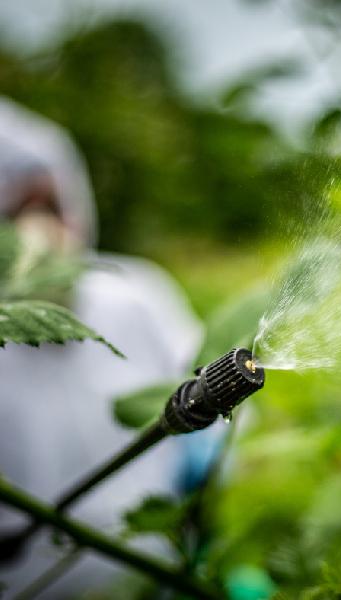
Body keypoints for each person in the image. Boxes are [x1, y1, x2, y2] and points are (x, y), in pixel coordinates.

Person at [0, 97, 213, 597]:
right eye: (14, 211)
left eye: (51, 205)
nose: (38, 233)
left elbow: (202, 426)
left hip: (148, 576)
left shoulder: (134, 294)